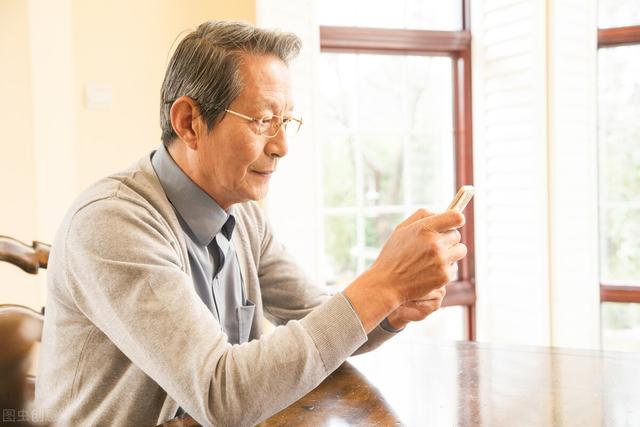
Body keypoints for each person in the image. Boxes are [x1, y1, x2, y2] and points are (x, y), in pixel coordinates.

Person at [35, 21, 467, 426]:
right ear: (189, 122)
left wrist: (391, 310)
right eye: (263, 121)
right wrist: (383, 285)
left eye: (286, 122)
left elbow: (322, 320)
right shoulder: (113, 223)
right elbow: (221, 393)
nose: (281, 146)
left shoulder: (243, 217)